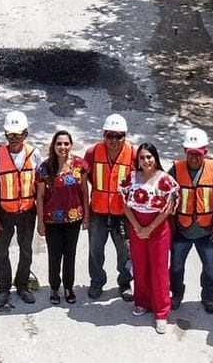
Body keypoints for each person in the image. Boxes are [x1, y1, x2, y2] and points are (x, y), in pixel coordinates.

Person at [123, 141, 178, 334]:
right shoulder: (131, 178)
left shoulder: (165, 180)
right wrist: (138, 227)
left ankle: (161, 312)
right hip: (137, 228)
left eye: (149, 157)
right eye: (142, 157)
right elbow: (125, 205)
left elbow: (168, 208)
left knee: (159, 269)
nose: (145, 161)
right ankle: (142, 302)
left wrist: (150, 227)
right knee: (140, 266)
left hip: (158, 229)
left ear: (155, 158)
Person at [0, 110, 41, 308]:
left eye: (18, 135)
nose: (14, 139)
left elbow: (41, 186)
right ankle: (3, 289)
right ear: (5, 135)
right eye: (10, 135)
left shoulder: (34, 155)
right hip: (4, 212)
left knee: (26, 250)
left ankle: (22, 285)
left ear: (26, 134)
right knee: (1, 251)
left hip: (27, 211)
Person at [169, 128, 213, 314]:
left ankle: (208, 297)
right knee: (175, 268)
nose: (193, 157)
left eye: (197, 153)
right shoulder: (175, 169)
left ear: (204, 152)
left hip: (207, 230)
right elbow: (167, 197)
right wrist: (171, 223)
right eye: (190, 153)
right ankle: (176, 295)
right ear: (185, 151)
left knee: (211, 270)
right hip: (181, 230)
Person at [82, 112, 134, 300]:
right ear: (103, 134)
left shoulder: (134, 154)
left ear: (125, 136)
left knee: (125, 251)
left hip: (123, 213)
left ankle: (125, 283)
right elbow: (84, 180)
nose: (113, 140)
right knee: (95, 249)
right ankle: (96, 282)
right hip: (98, 211)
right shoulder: (92, 152)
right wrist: (86, 213)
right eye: (109, 135)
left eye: (118, 136)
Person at [35, 129, 87, 304]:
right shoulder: (44, 168)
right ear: (53, 146)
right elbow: (40, 197)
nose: (62, 147)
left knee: (70, 254)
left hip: (74, 218)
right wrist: (40, 222)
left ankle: (68, 287)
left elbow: (84, 192)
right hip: (52, 220)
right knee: (54, 255)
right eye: (59, 143)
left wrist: (86, 216)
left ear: (71, 145)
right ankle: (55, 287)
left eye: (66, 143)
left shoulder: (80, 165)